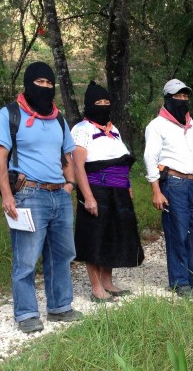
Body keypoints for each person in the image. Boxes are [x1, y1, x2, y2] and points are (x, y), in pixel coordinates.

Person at [0, 61, 81, 333]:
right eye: (39, 83)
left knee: (62, 255)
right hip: (28, 194)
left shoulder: (59, 118)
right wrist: (7, 195)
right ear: (28, 84)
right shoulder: (9, 114)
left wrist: (70, 185)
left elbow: (68, 157)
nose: (44, 88)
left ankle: (60, 307)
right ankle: (27, 313)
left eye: (48, 83)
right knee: (26, 258)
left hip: (59, 196)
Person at [71, 81, 144, 303]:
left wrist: (128, 185)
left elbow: (121, 161)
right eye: (98, 102)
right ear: (88, 105)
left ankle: (108, 282)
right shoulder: (81, 130)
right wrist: (88, 196)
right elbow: (78, 166)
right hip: (97, 189)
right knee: (95, 236)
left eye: (106, 102)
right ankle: (96, 288)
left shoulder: (114, 130)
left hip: (118, 190)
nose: (103, 106)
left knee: (113, 235)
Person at [143, 79, 193, 298]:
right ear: (167, 98)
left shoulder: (192, 126)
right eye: (178, 96)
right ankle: (180, 282)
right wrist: (156, 190)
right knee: (178, 234)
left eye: (185, 96)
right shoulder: (156, 126)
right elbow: (150, 157)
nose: (182, 100)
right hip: (173, 184)